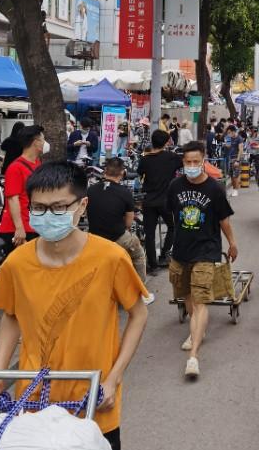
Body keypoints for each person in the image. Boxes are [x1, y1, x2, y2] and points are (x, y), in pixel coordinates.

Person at [0, 161, 148, 450]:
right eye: (39, 208)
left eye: (59, 207)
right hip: (33, 409)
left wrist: (114, 379)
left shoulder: (111, 258)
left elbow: (138, 313)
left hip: (94, 408)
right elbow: (11, 316)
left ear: (81, 205)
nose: (48, 215)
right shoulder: (16, 264)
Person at [168, 141, 237, 378]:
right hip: (181, 251)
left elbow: (224, 220)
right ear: (182, 162)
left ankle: (193, 357)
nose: (192, 166)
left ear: (204, 160)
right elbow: (172, 216)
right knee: (187, 296)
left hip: (206, 251)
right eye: (187, 162)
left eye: (196, 162)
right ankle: (197, 330)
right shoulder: (175, 186)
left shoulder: (215, 189)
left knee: (200, 301)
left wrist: (232, 243)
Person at [87, 157, 155, 305]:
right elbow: (129, 222)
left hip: (94, 238)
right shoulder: (124, 192)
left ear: (104, 172)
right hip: (117, 236)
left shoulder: (91, 190)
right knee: (138, 254)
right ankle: (141, 292)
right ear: (123, 173)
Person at [137, 130, 182, 273]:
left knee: (149, 233)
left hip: (149, 200)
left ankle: (153, 265)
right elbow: (183, 163)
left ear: (152, 141)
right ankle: (164, 255)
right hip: (166, 201)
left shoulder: (145, 159)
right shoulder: (172, 157)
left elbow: (139, 173)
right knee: (173, 227)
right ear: (166, 142)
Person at [0, 125, 47, 252]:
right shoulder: (15, 168)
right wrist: (19, 228)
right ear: (35, 142)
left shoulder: (38, 164)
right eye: (42, 139)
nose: (45, 143)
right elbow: (13, 200)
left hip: (34, 225)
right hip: (19, 229)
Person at [222, 124, 243, 197]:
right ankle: (234, 188)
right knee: (231, 174)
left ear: (234, 132)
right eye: (228, 132)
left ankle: (235, 190)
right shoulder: (228, 137)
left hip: (235, 158)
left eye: (230, 132)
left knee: (235, 175)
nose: (229, 134)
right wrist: (226, 142)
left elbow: (241, 150)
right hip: (229, 158)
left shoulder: (239, 138)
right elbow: (228, 146)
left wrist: (237, 160)